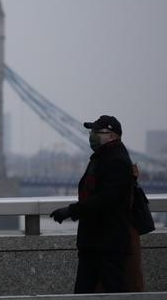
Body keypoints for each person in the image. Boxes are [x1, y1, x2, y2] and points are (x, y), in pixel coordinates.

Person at [50, 115, 135, 293]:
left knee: (115, 293)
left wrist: (70, 211)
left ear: (112, 136)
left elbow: (105, 200)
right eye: (92, 131)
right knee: (83, 294)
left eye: (97, 132)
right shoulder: (101, 157)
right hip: (93, 243)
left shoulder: (117, 160)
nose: (92, 135)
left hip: (108, 245)